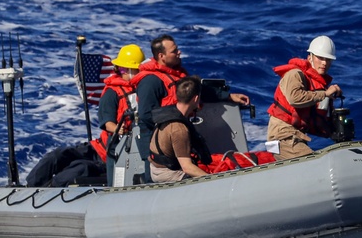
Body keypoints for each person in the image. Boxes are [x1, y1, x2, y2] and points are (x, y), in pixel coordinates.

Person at [134, 34, 250, 180]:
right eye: (174, 51)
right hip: (155, 144)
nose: (179, 53)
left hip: (176, 138)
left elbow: (195, 91)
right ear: (161, 55)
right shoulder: (150, 82)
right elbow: (146, 115)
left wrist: (228, 96)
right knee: (156, 181)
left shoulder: (177, 75)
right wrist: (170, 129)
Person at [266, 35, 343, 160]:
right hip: (283, 135)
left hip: (296, 136)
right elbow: (294, 98)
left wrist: (335, 131)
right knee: (314, 166)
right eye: (320, 58)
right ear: (310, 57)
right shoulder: (295, 74)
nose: (324, 63)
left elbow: (314, 118)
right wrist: (325, 94)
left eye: (328, 59)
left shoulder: (318, 85)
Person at [92, 43, 144, 184]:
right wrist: (116, 128)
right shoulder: (111, 93)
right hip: (119, 143)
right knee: (117, 178)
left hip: (139, 139)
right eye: (136, 69)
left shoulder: (141, 88)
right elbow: (106, 121)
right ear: (125, 70)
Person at [147, 75, 212, 183]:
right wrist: (212, 180)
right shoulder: (179, 129)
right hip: (168, 173)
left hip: (156, 168)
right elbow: (187, 167)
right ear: (196, 99)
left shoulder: (167, 114)